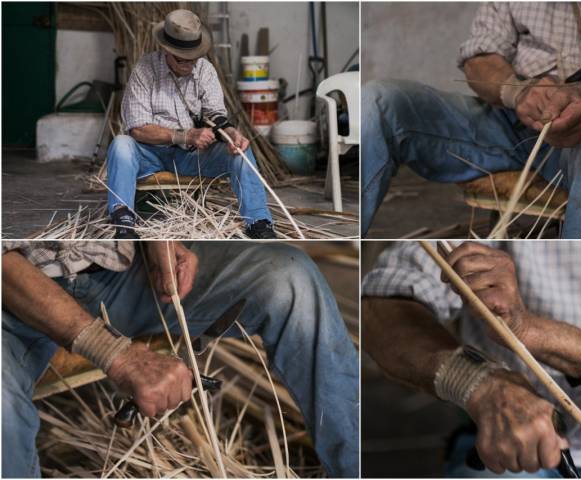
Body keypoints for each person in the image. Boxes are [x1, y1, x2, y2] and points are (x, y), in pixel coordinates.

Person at [2, 241, 359, 478]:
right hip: (13, 298)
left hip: (120, 271)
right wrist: (116, 355)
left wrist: (159, 239)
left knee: (288, 277)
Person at [362, 241, 581, 477]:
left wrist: (530, 331)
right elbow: (383, 308)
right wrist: (478, 385)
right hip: (519, 454)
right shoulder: (481, 229)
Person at [362, 3, 581, 238]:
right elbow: (481, 56)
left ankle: (580, 296)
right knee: (382, 101)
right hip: (516, 123)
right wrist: (517, 92)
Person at [106, 9, 275, 239]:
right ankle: (123, 218)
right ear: (165, 50)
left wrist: (231, 133)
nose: (188, 65)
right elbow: (137, 128)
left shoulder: (204, 70)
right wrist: (184, 136)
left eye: (192, 58)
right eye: (181, 59)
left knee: (241, 153)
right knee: (121, 144)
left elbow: (215, 115)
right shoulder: (145, 71)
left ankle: (259, 222)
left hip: (192, 157)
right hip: (150, 155)